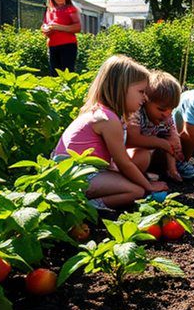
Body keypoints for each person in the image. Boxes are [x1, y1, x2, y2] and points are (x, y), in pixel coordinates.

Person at [52, 55, 168, 209]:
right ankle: (83, 208)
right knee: (136, 190)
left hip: (77, 171)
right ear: (121, 89)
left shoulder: (106, 114)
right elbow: (124, 163)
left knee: (135, 184)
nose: (145, 98)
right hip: (74, 175)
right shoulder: (108, 120)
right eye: (141, 91)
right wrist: (149, 185)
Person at [127, 71, 187, 182]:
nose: (167, 114)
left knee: (171, 143)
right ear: (145, 100)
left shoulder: (166, 117)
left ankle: (171, 171)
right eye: (161, 109)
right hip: (129, 153)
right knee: (142, 157)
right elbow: (132, 139)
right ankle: (138, 178)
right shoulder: (137, 112)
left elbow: (171, 137)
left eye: (171, 109)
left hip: (151, 151)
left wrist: (175, 141)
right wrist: (161, 143)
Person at [42, 0, 81, 75]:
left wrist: (59, 27)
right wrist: (45, 29)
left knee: (67, 74)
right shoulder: (50, 10)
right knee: (54, 74)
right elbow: (44, 24)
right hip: (52, 46)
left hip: (68, 46)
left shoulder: (71, 9)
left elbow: (78, 27)